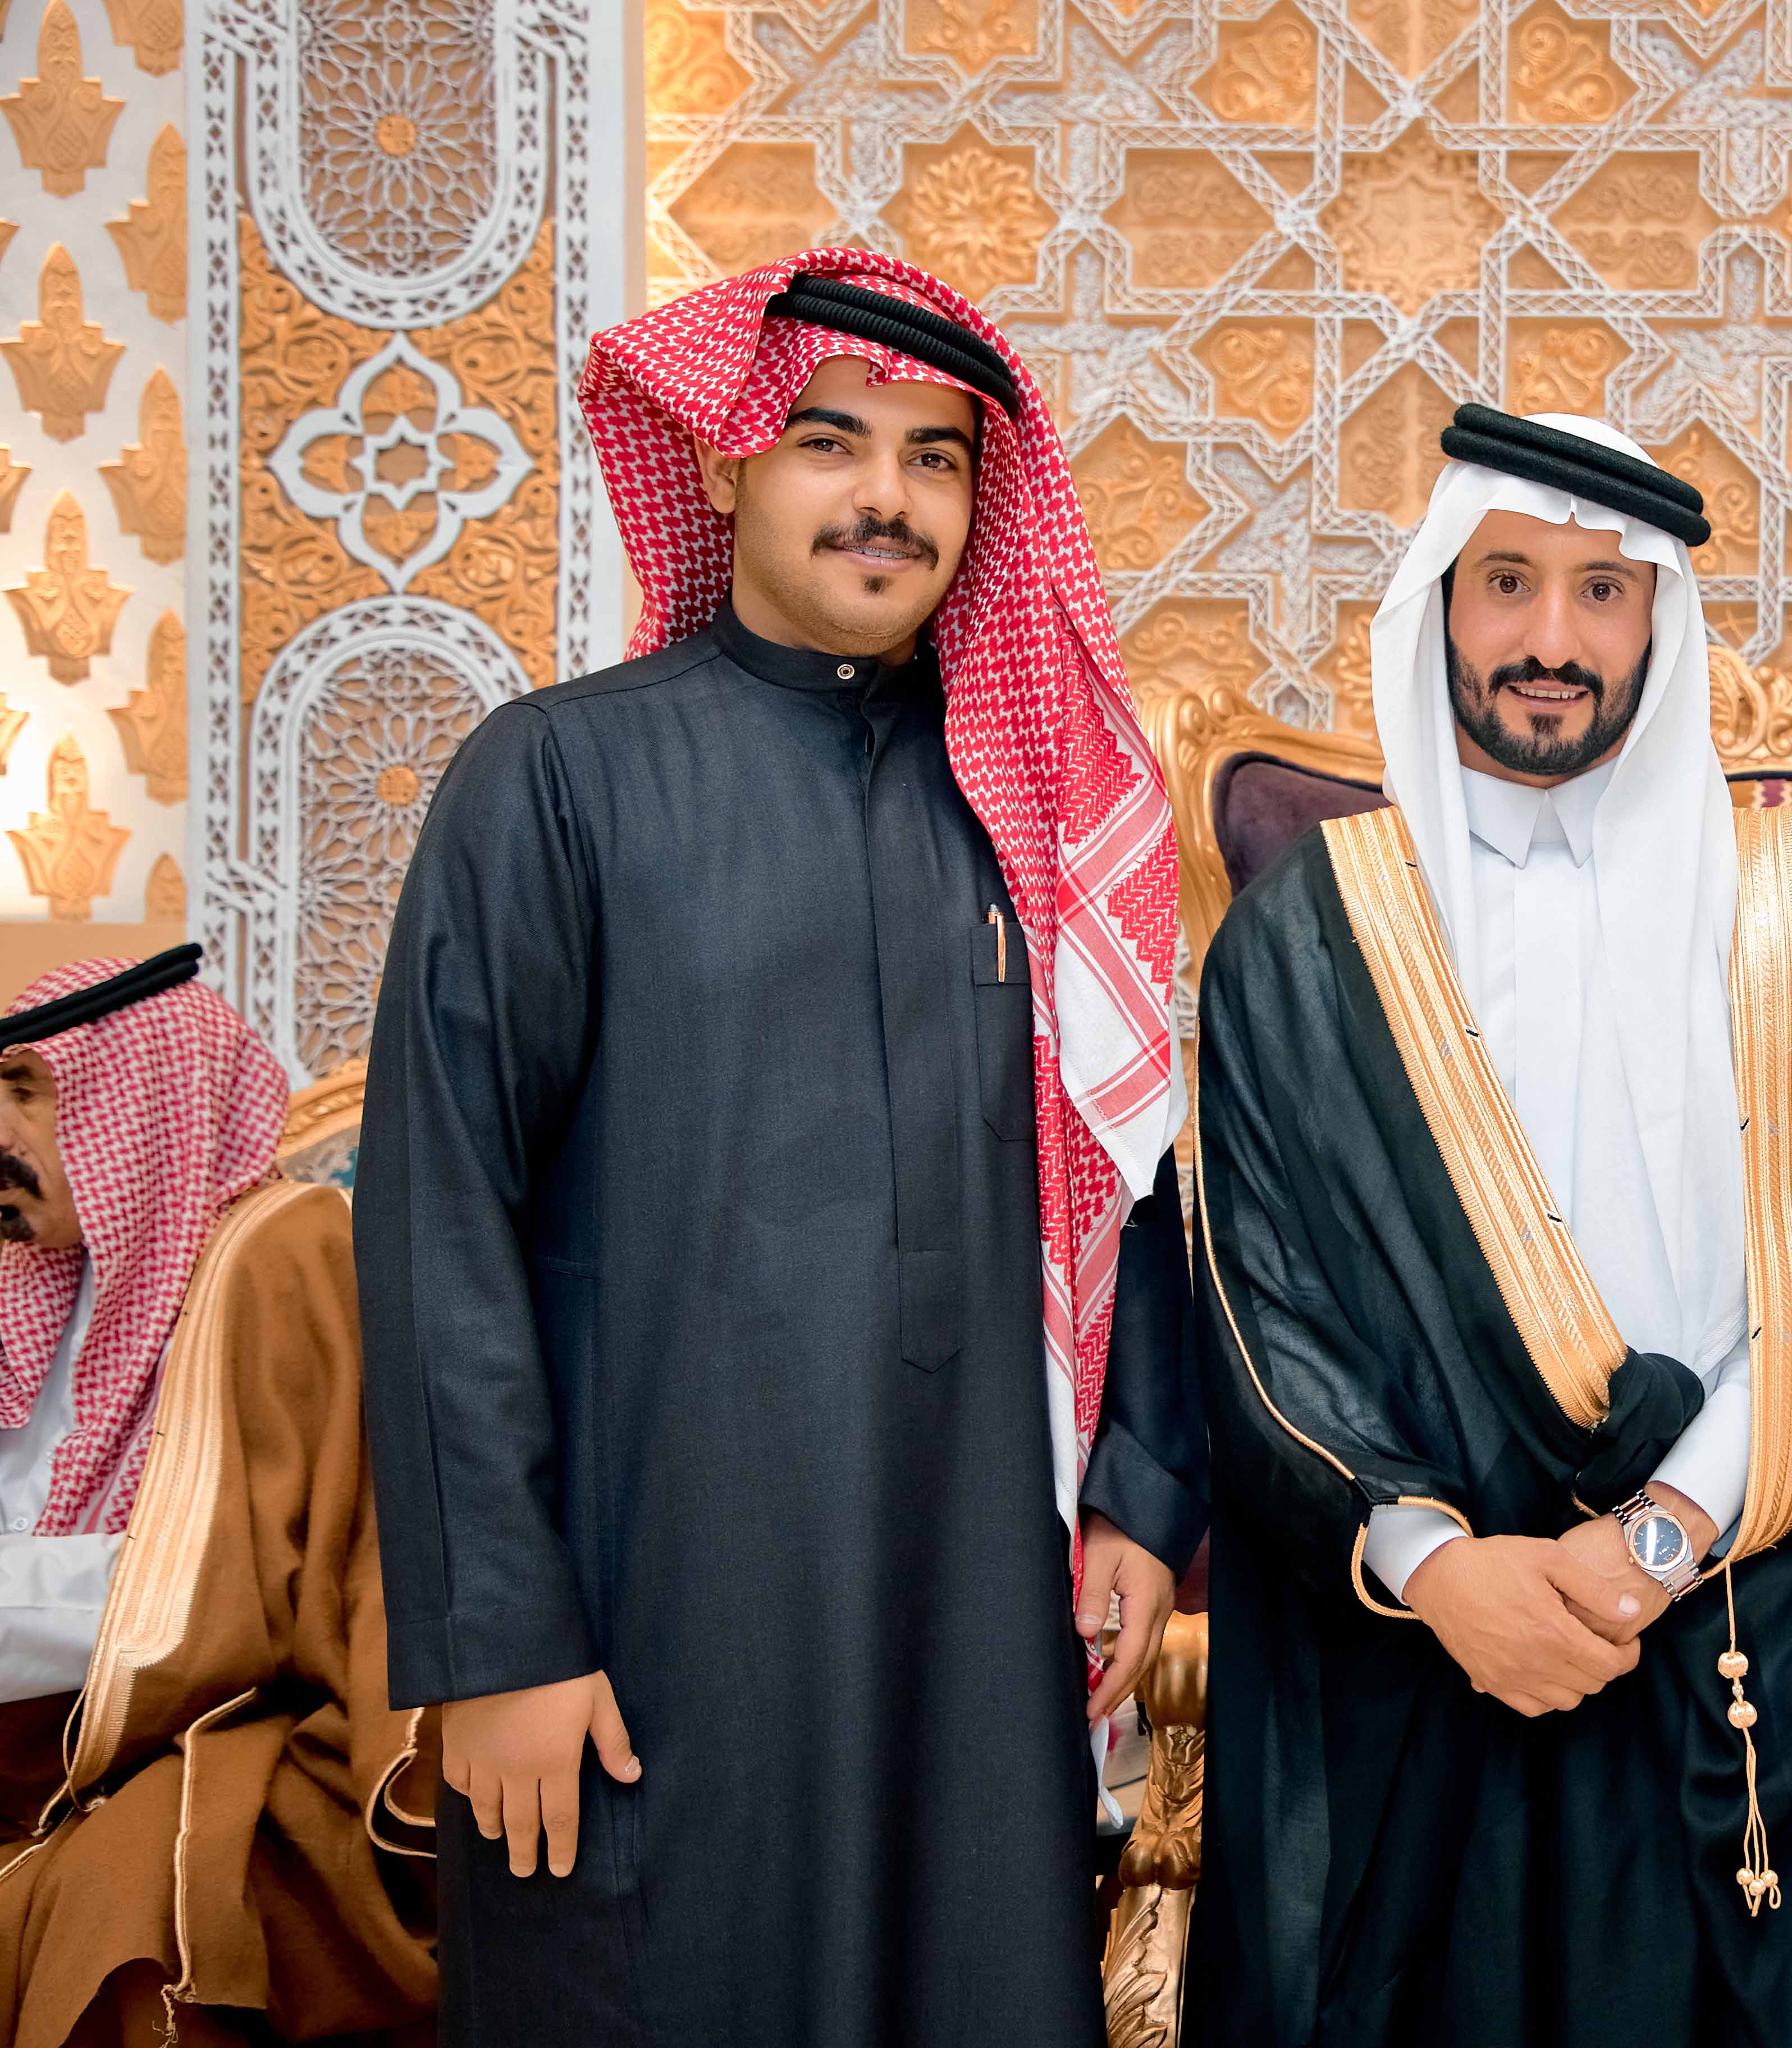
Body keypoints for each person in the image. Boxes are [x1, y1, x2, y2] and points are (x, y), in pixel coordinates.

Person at [358, 250, 1204, 2046]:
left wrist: (1138, 1492)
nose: (887, 495)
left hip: (973, 1603)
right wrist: (500, 1639)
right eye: (832, 442)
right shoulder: (558, 780)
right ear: (727, 460)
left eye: (934, 458)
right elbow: (442, 1226)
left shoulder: (1032, 813)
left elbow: (1132, 1171)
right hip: (656, 1615)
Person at [1188, 405, 1792, 2048]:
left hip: (1734, 1613)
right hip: (1430, 1655)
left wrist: (1653, 1546)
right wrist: (1445, 1575)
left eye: (1602, 592)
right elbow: (1261, 1316)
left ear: (1661, 623)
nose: (1552, 641)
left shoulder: (1785, 906)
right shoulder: (1307, 933)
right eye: (1507, 582)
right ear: (1442, 604)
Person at [0, 947, 435, 2045]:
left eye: (27, 1092)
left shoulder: (289, 1254)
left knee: (125, 1895)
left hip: (250, 1713)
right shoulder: (38, 1283)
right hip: (59, 1722)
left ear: (141, 1097)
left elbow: (236, 1579)